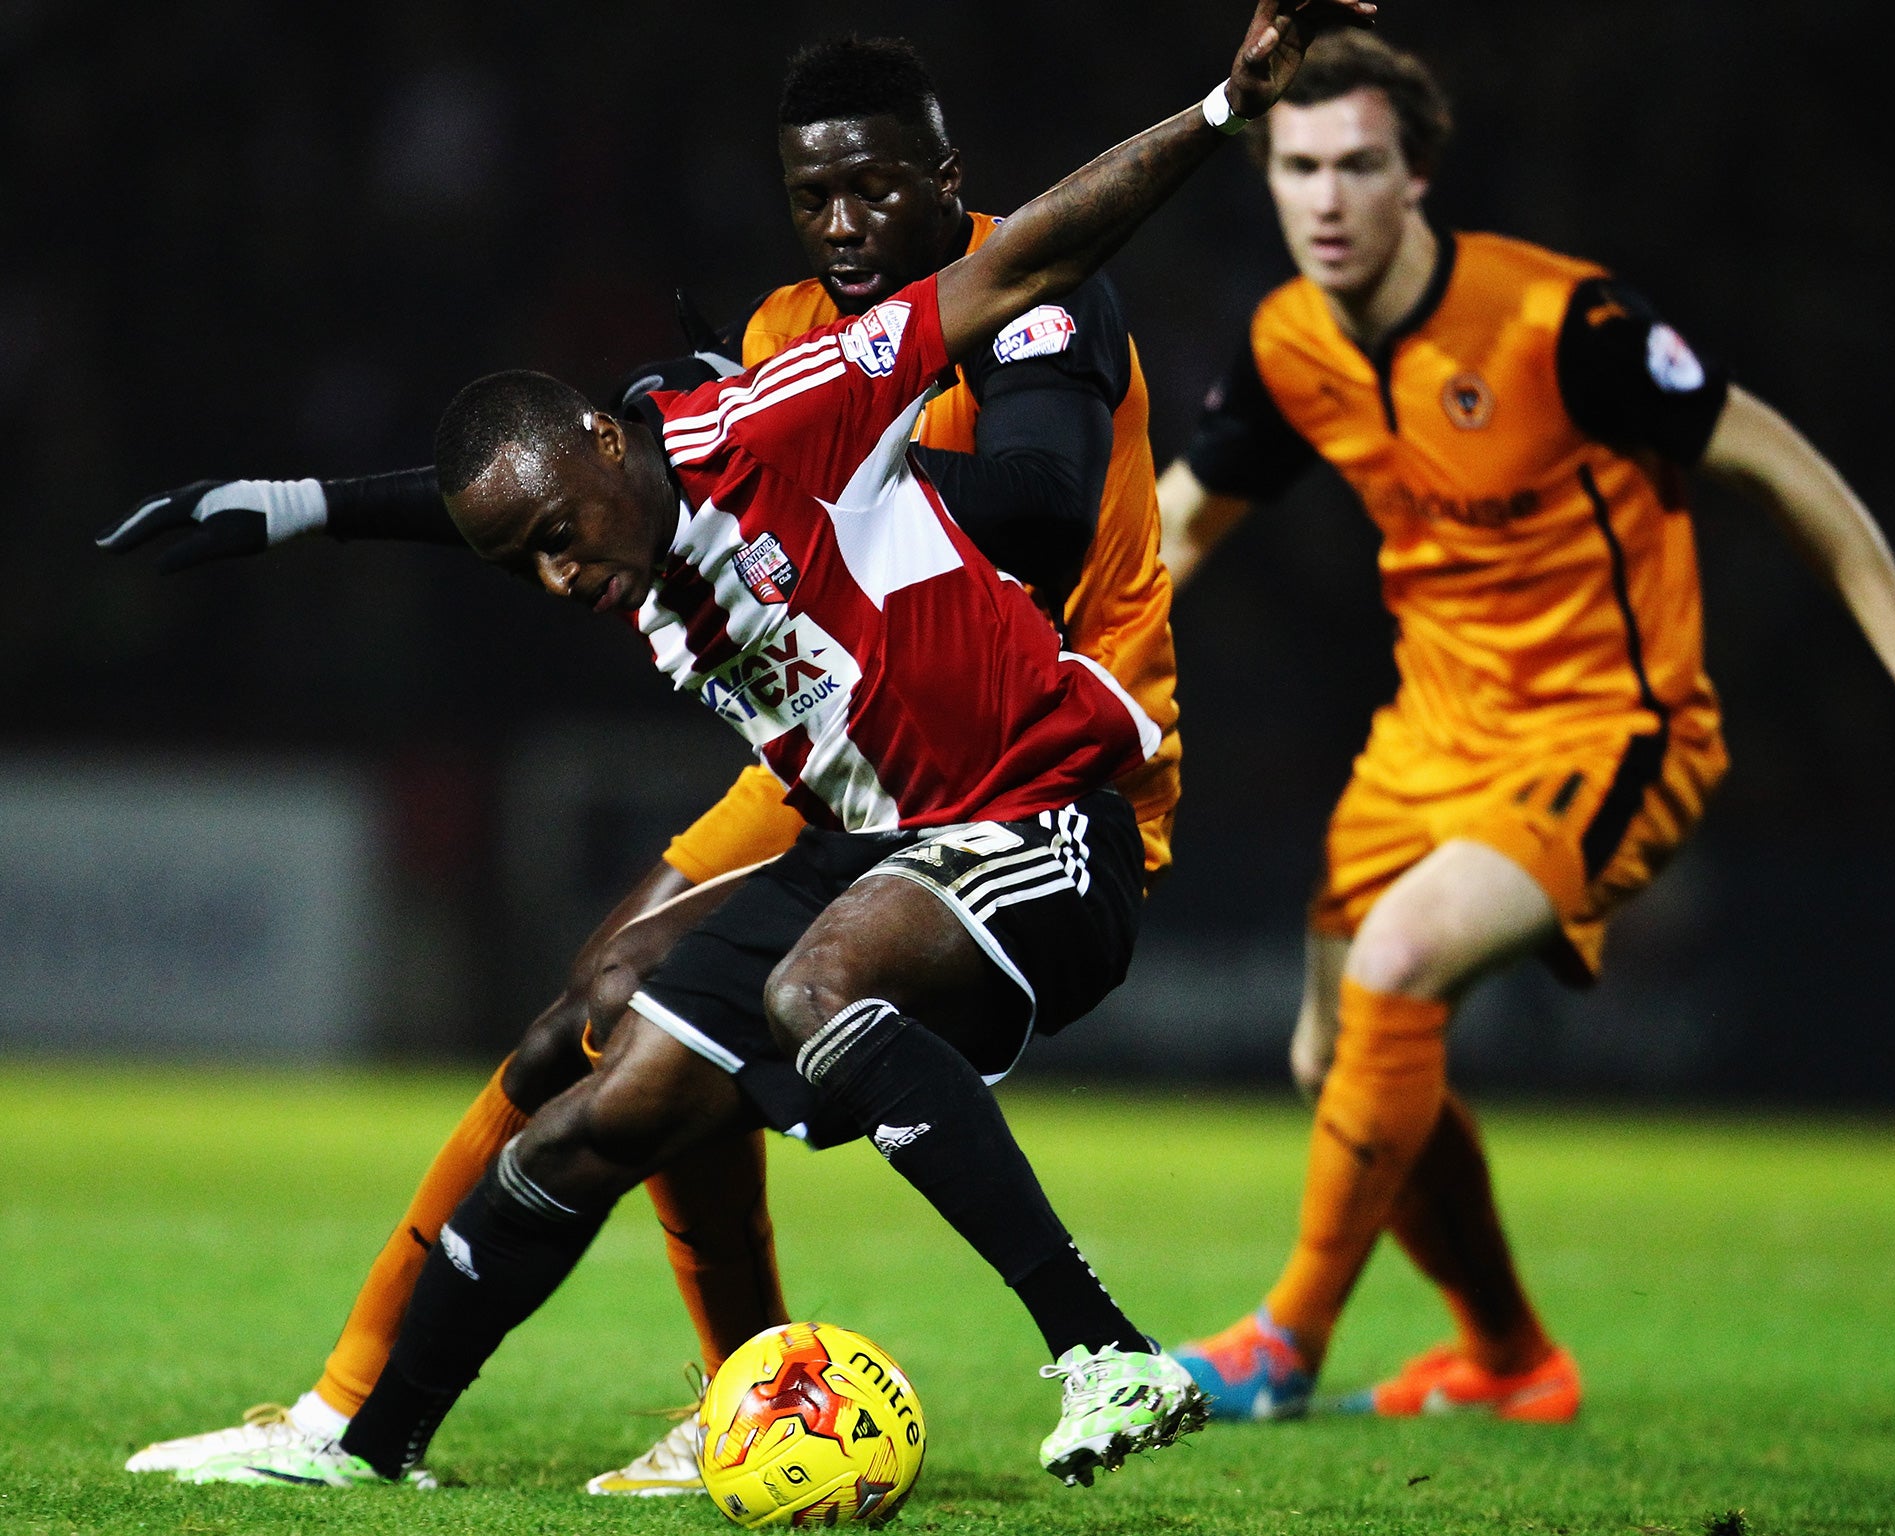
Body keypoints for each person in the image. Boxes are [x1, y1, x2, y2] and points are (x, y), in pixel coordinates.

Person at [141, 0, 1378, 1491]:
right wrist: (295, 506)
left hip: (1040, 767)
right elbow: (528, 486)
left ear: (939, 169)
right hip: (850, 769)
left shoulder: (860, 377)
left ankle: (1097, 1349)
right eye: (814, 197)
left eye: (873, 185)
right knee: (601, 1035)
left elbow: (1030, 467)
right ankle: (377, 1433)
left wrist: (1225, 110)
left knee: (809, 984)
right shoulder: (680, 453)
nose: (844, 220)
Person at [1163, 30, 1895, 1424]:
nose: (1326, 198)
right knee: (1336, 1061)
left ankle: (1283, 1345)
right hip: (1422, 737)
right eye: (1298, 168)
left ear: (1419, 175)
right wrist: (1050, 663)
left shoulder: (1560, 327)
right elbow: (1186, 518)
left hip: (1606, 731)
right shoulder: (1287, 343)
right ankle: (1512, 1362)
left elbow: (1784, 467)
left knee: (1395, 964)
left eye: (1359, 166)